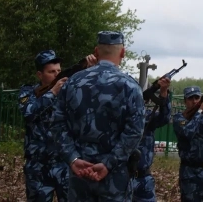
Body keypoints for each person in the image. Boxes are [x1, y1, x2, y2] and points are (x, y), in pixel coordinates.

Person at [50, 31, 145, 202]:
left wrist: (73, 158)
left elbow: (57, 123)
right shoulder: (130, 86)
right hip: (114, 177)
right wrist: (109, 163)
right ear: (122, 52)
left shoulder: (73, 82)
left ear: (96, 51)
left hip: (79, 173)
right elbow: (134, 132)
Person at [18, 49, 97, 202]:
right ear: (40, 75)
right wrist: (53, 92)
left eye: (58, 71)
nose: (56, 74)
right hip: (38, 165)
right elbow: (29, 113)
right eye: (51, 71)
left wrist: (88, 71)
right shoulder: (28, 92)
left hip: (65, 162)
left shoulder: (68, 91)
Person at [132, 82, 172, 202]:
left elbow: (165, 117)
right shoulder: (120, 116)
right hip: (122, 178)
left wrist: (164, 94)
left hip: (144, 178)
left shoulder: (149, 116)